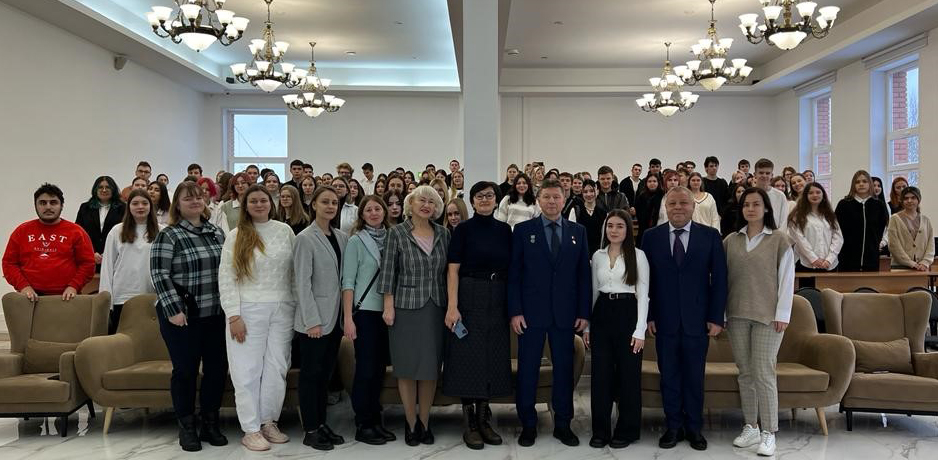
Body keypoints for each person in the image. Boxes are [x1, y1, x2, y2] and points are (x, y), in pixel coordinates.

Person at [641, 186, 727, 451]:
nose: (678, 207)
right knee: (669, 376)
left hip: (698, 320)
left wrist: (716, 317)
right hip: (663, 320)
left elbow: (720, 280)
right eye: (672, 203)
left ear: (693, 206)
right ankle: (673, 426)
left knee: (694, 376)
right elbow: (646, 281)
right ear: (665, 207)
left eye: (683, 203)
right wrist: (650, 315)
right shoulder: (651, 237)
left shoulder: (710, 236)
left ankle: (694, 428)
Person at [508, 179, 591, 448]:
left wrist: (583, 312)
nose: (552, 201)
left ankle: (563, 424)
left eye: (557, 197)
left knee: (564, 371)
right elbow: (514, 274)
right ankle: (528, 424)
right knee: (528, 370)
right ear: (539, 200)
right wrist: (515, 311)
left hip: (565, 315)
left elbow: (583, 275)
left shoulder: (578, 231)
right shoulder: (523, 230)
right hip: (530, 315)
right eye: (547, 197)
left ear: (564, 200)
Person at [149, 181, 228, 452]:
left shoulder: (217, 233)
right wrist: (174, 310)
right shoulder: (169, 235)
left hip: (215, 314)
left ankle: (210, 423)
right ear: (177, 204)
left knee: (216, 370)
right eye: (187, 198)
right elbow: (159, 274)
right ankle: (186, 426)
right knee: (185, 371)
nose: (194, 201)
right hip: (182, 315)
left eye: (198, 197)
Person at [218, 185, 296, 451]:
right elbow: (226, 278)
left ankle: (268, 421)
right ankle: (250, 428)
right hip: (248, 309)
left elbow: (293, 273)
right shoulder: (236, 235)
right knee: (247, 370)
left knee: (277, 367)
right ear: (245, 205)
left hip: (283, 308)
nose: (259, 204)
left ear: (271, 203)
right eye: (254, 201)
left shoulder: (284, 231)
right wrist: (233, 316)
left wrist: (296, 306)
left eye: (264, 200)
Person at [377, 185, 451, 446]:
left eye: (432, 201)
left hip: (435, 308)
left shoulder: (444, 233)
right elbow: (388, 272)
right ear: (411, 203)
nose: (426, 205)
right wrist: (388, 306)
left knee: (430, 369)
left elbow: (448, 273)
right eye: (422, 200)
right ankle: (410, 424)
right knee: (407, 368)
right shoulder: (396, 233)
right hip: (405, 309)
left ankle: (425, 422)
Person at [725, 187, 794, 457]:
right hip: (737, 314)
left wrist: (783, 314)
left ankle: (769, 431)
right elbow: (722, 280)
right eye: (746, 205)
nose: (751, 209)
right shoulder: (731, 240)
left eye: (756, 204)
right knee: (745, 372)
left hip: (768, 317)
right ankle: (751, 427)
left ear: (766, 208)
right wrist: (722, 314)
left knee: (764, 373)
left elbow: (787, 278)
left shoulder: (779, 239)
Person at [443, 181, 512, 450]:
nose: (484, 199)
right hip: (469, 295)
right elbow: (452, 270)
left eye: (489, 195)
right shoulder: (463, 230)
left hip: (497, 296)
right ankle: (470, 423)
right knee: (467, 358)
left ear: (496, 200)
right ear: (472, 201)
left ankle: (484, 419)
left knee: (491, 357)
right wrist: (452, 306)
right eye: (479, 196)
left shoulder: (505, 230)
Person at [585, 210, 648, 449]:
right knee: (600, 376)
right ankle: (600, 431)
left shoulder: (638, 256)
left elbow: (643, 295)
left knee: (628, 375)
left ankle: (627, 430)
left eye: (620, 226)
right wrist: (588, 326)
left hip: (628, 313)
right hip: (602, 313)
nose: (614, 230)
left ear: (628, 230)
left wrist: (640, 330)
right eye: (610, 225)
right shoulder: (598, 256)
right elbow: (593, 292)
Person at [293, 185, 349, 451]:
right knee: (311, 375)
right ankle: (311, 429)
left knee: (325, 375)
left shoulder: (341, 236)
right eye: (325, 201)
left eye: (334, 203)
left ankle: (322, 423)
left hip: (334, 319)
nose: (330, 206)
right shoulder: (305, 238)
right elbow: (301, 283)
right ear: (313, 204)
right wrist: (311, 320)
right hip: (313, 321)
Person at [342, 196, 396, 445]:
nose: (374, 213)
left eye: (377, 208)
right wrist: (348, 318)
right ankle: (363, 423)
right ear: (362, 215)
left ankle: (375, 420)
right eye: (368, 210)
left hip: (389, 312)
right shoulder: (356, 241)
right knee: (365, 369)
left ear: (384, 212)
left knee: (379, 370)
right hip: (365, 313)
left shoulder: (393, 237)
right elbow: (348, 282)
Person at [3, 183, 95, 301]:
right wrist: (24, 287)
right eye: (42, 203)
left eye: (53, 202)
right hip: (29, 298)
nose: (48, 207)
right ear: (35, 205)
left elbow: (88, 264)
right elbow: (9, 263)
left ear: (61, 206)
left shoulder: (77, 232)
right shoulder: (21, 231)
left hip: (66, 298)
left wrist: (74, 286)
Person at [100, 189, 162, 334]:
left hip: (151, 296)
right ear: (128, 206)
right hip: (122, 296)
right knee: (122, 340)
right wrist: (106, 300)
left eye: (144, 203)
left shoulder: (162, 231)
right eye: (135, 203)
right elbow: (107, 266)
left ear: (150, 206)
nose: (140, 207)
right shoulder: (117, 231)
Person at [835, 170, 889, 271]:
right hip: (847, 258)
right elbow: (836, 230)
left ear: (870, 184)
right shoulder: (843, 204)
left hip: (871, 258)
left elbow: (884, 228)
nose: (861, 184)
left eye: (864, 181)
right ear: (853, 185)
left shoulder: (878, 205)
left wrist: (879, 244)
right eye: (857, 182)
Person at [788, 182, 843, 281]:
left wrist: (829, 259)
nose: (815, 195)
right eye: (811, 193)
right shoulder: (797, 216)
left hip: (829, 265)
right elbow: (800, 240)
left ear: (823, 195)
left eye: (818, 192)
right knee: (808, 290)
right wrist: (813, 259)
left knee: (829, 291)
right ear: (805, 196)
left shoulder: (829, 214)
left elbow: (838, 238)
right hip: (806, 264)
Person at [75, 176, 126, 270]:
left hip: (115, 258)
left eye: (108, 187)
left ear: (113, 189)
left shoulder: (123, 208)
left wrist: (108, 253)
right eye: (100, 187)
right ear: (95, 189)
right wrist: (91, 253)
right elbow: (79, 233)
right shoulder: (85, 208)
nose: (104, 190)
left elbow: (126, 233)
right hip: (89, 258)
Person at [887, 186, 934, 270]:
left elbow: (931, 244)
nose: (909, 201)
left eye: (913, 198)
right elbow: (894, 245)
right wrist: (911, 263)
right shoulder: (895, 219)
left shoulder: (925, 220)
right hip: (900, 267)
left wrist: (925, 262)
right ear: (902, 201)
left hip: (922, 268)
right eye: (906, 198)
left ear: (918, 200)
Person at [567, 179, 607, 256]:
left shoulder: (603, 213)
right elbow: (571, 235)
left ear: (597, 191)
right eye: (585, 192)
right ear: (582, 193)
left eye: (592, 191)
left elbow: (604, 237)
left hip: (598, 254)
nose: (588, 194)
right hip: (579, 253)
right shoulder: (575, 211)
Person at [753, 159, 789, 233]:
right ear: (755, 174)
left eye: (767, 173)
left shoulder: (780, 195)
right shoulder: (748, 195)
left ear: (772, 175)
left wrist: (777, 237)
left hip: (775, 235)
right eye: (761, 173)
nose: (764, 175)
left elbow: (783, 222)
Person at [634, 174, 663, 246]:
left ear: (658, 183)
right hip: (644, 229)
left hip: (658, 228)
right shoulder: (642, 196)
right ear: (646, 183)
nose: (652, 183)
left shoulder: (662, 195)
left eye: (654, 181)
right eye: (649, 181)